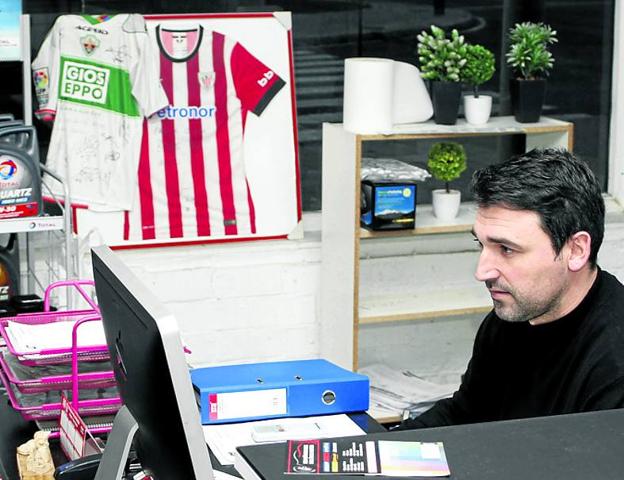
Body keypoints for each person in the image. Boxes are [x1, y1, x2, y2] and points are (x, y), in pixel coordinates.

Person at [400, 148, 624, 429]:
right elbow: (464, 414)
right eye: (481, 245)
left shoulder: (614, 361)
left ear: (576, 250)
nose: (482, 271)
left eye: (506, 249)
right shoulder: (511, 317)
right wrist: (379, 449)